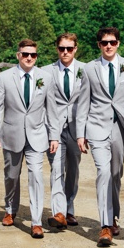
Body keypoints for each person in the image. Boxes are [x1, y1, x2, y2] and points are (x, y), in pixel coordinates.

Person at [76, 27, 124, 247]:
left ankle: (113, 216)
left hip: (121, 128)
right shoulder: (89, 69)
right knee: (103, 172)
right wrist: (80, 133)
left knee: (115, 174)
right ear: (98, 45)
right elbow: (83, 102)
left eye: (112, 42)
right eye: (104, 42)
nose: (108, 46)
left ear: (118, 44)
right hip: (96, 126)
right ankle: (105, 226)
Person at [0, 39, 57, 239]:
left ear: (36, 56)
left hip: (36, 135)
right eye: (25, 54)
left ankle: (36, 221)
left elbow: (52, 109)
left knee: (36, 175)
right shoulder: (4, 78)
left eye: (33, 55)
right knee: (11, 176)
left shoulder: (46, 78)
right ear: (18, 55)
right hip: (11, 134)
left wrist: (54, 135)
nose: (29, 58)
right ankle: (10, 208)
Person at [43, 32, 86, 229]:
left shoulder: (86, 71)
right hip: (53, 128)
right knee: (57, 169)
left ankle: (69, 207)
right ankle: (58, 212)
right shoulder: (45, 72)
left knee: (73, 170)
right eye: (62, 48)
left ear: (76, 49)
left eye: (69, 49)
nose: (65, 52)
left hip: (77, 129)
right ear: (57, 49)